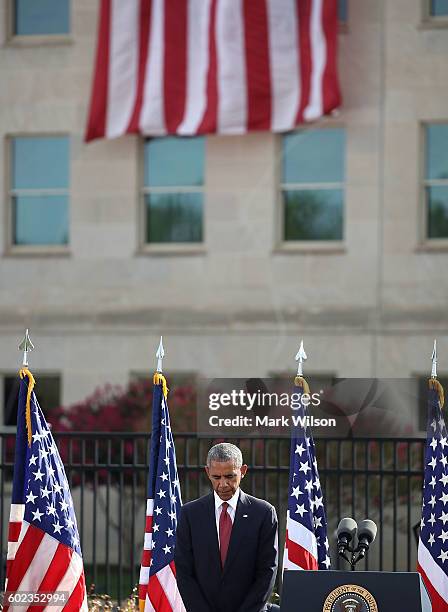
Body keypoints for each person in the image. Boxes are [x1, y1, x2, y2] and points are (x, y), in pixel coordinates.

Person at [175, 443, 278, 612]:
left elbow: (267, 572)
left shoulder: (263, 513)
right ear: (207, 472)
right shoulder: (190, 514)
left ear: (243, 471)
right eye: (216, 477)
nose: (223, 484)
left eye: (230, 476)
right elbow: (184, 572)